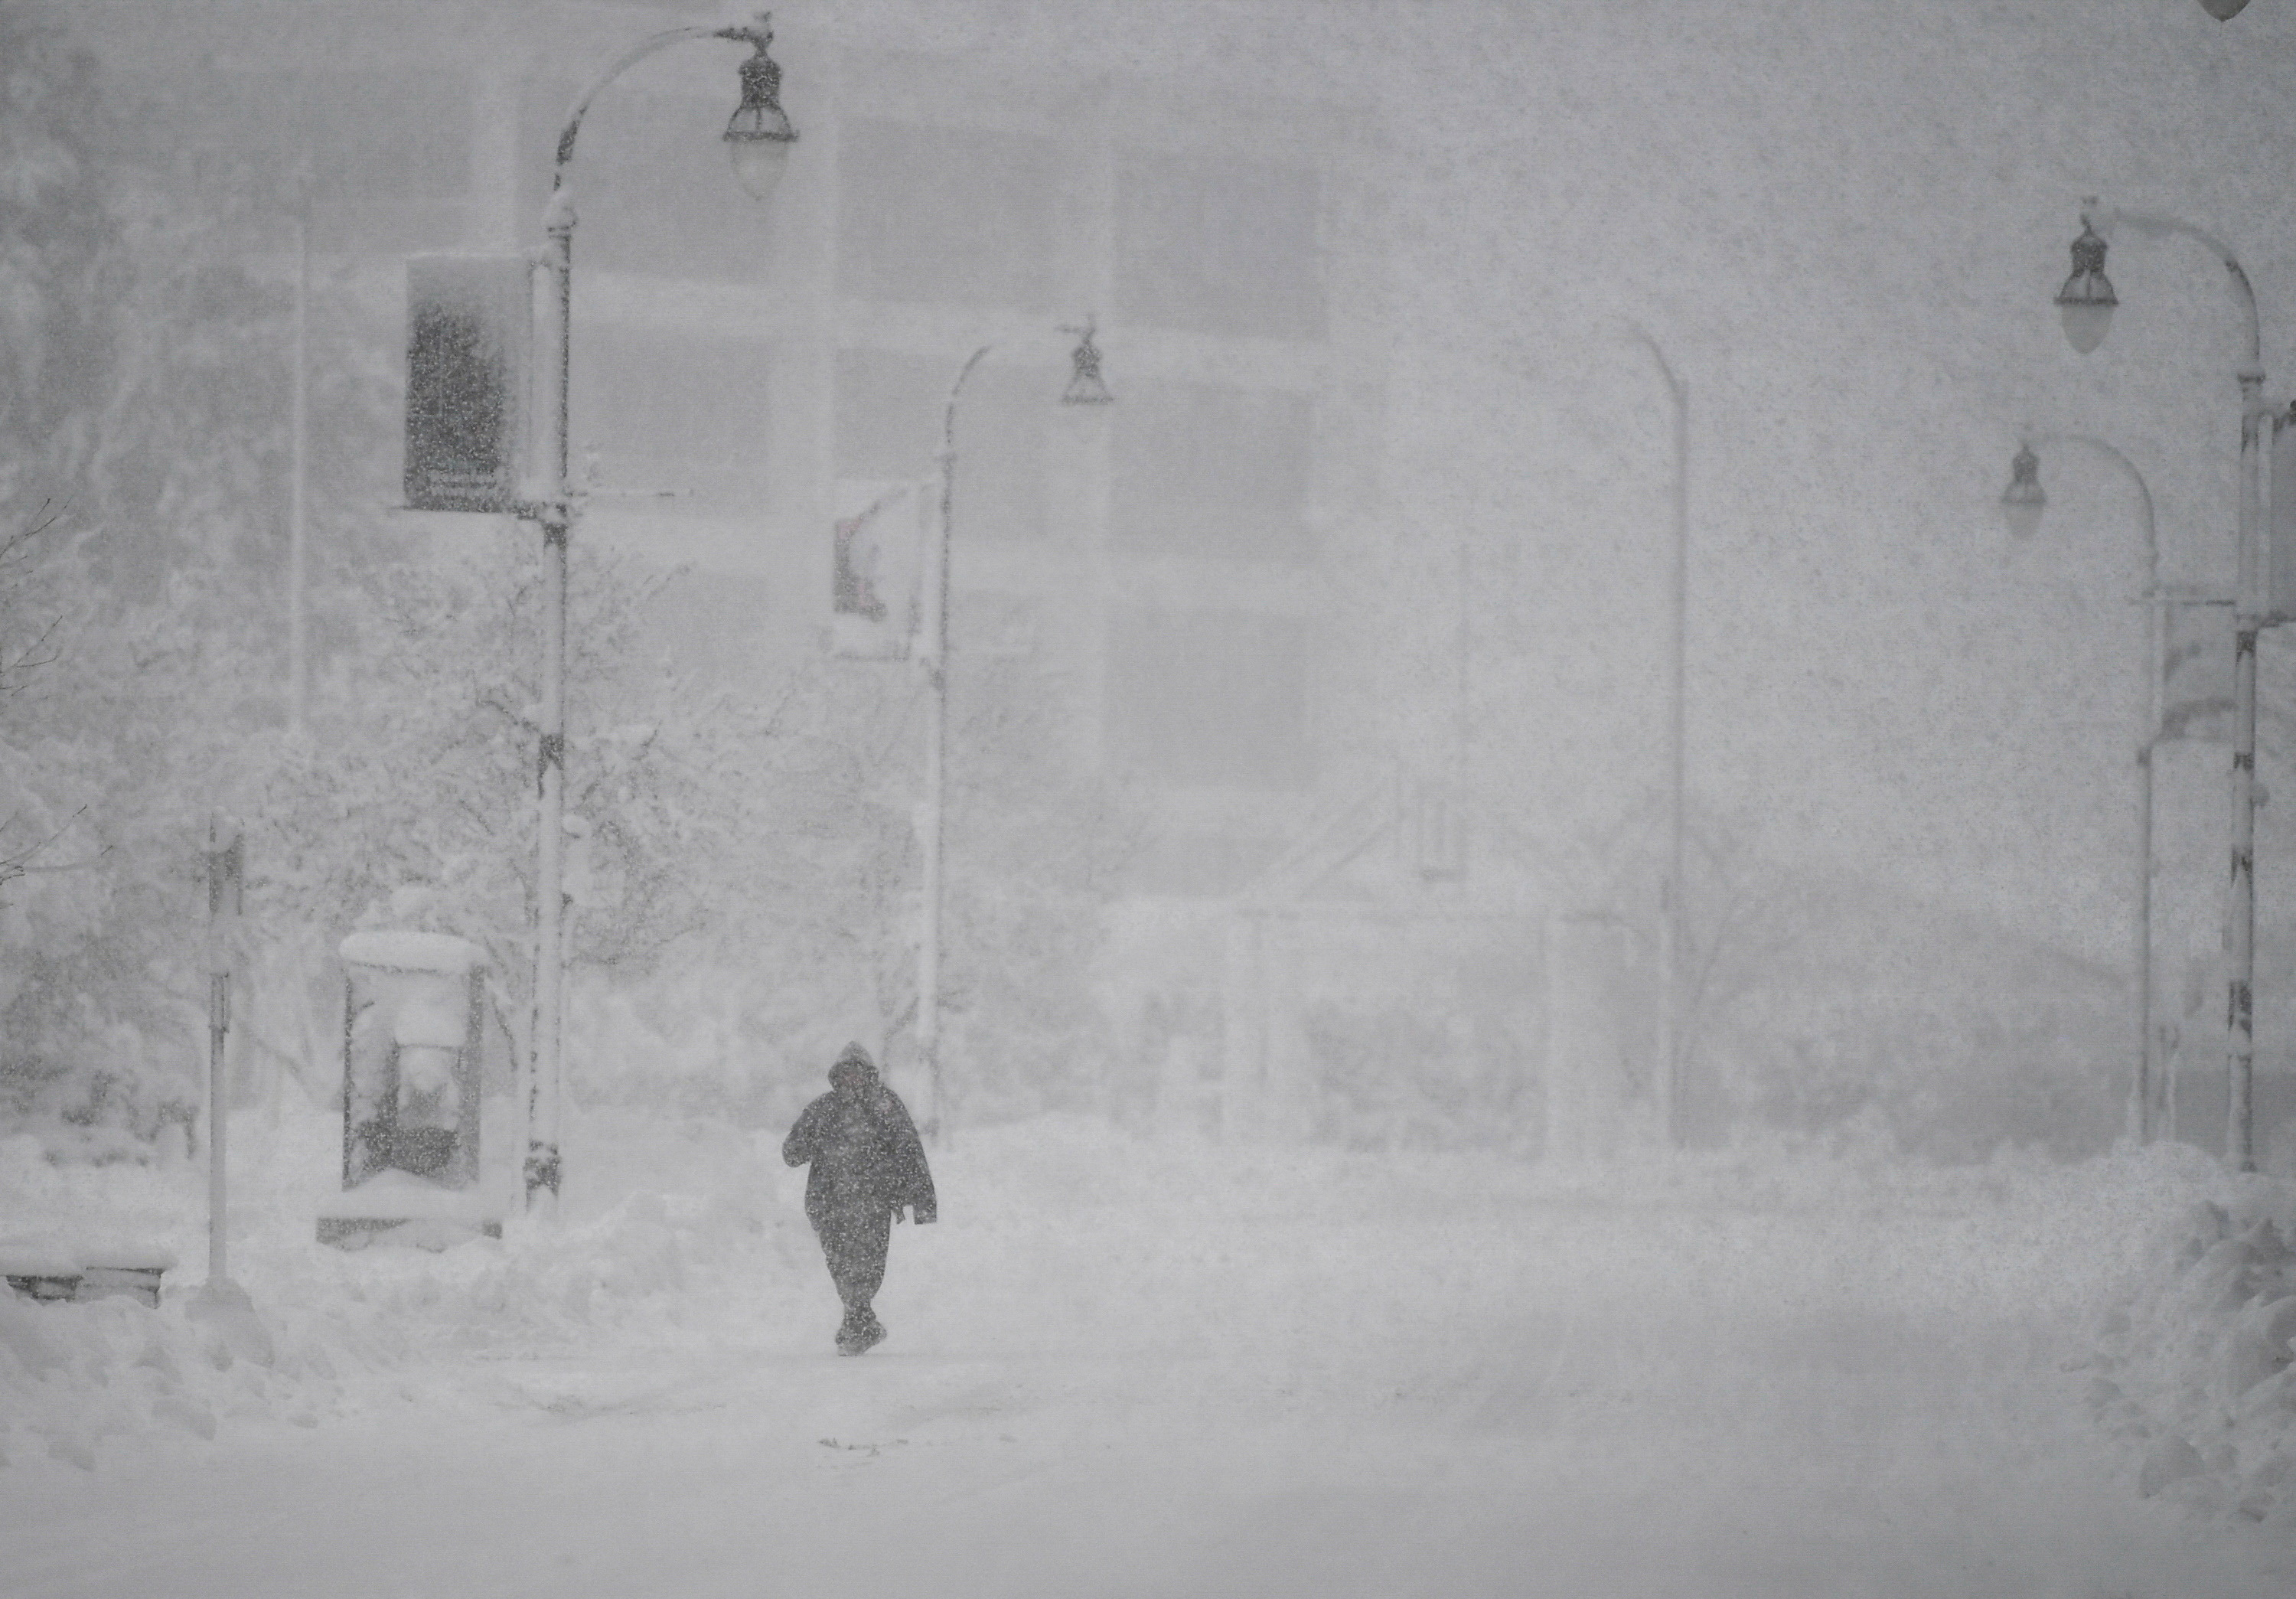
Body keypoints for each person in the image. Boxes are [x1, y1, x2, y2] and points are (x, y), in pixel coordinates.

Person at [781, 1042, 936, 1355]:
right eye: (847, 1073)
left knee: (869, 1265)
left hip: (873, 1202)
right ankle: (860, 1323)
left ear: (869, 1075)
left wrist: (922, 1200)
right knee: (840, 1264)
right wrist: (810, 1140)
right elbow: (791, 1153)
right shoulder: (823, 1109)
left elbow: (910, 1151)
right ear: (837, 1077)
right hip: (830, 1203)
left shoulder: (886, 1106)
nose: (852, 1079)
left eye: (858, 1073)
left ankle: (857, 1324)